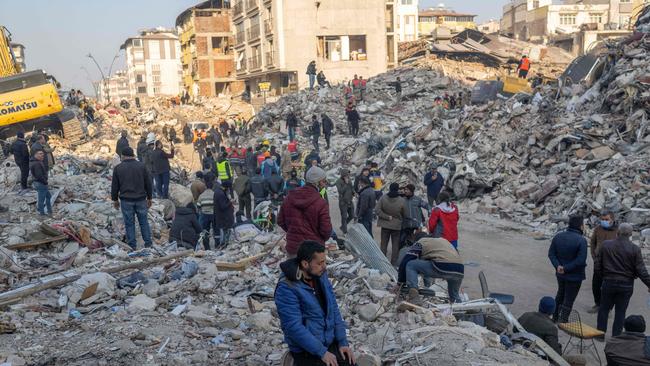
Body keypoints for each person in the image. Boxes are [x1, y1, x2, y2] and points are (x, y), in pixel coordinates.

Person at [275, 240, 355, 366]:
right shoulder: (287, 287)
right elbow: (293, 327)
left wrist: (342, 341)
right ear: (305, 264)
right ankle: (291, 361)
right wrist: (321, 352)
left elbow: (333, 309)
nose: (324, 266)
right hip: (306, 349)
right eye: (320, 263)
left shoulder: (320, 275)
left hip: (329, 341)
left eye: (325, 262)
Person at [596, 223, 650, 337]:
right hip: (626, 285)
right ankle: (616, 337)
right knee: (620, 312)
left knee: (604, 308)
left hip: (608, 282)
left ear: (618, 232)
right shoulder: (634, 249)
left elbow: (597, 265)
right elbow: (641, 270)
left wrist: (604, 277)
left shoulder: (606, 245)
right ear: (630, 234)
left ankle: (600, 334)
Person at [278, 166, 332, 257]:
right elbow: (326, 231)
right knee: (316, 271)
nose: (324, 185)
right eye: (323, 181)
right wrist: (318, 238)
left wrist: (292, 231)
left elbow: (280, 221)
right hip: (314, 251)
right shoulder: (321, 203)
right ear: (317, 183)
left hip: (293, 249)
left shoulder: (289, 198)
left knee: (293, 271)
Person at [398, 234, 464, 303]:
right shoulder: (442, 241)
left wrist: (400, 283)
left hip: (443, 265)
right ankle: (459, 308)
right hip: (460, 269)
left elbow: (405, 261)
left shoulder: (420, 242)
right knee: (454, 296)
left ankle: (414, 296)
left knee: (411, 264)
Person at [111, 147, 153, 250]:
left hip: (126, 201)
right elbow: (148, 183)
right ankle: (148, 243)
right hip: (141, 199)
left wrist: (115, 200)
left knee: (129, 224)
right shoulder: (142, 166)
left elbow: (115, 186)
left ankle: (132, 246)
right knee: (144, 222)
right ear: (133, 155)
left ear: (123, 156)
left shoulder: (118, 168)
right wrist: (149, 197)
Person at [548, 215, 587, 322]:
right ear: (581, 226)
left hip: (560, 273)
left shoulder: (558, 236)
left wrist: (558, 266)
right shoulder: (581, 240)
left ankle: (555, 316)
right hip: (574, 275)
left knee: (560, 294)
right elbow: (581, 260)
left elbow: (551, 254)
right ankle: (563, 320)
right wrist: (566, 268)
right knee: (569, 298)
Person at [589, 210, 619, 314]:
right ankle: (598, 304)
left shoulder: (618, 231)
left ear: (612, 220)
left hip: (611, 264)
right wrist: (593, 255)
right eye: (602, 219)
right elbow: (593, 242)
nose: (604, 221)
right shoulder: (598, 229)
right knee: (596, 285)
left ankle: (608, 308)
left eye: (606, 219)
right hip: (598, 262)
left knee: (609, 286)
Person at [376, 183, 407, 265]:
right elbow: (405, 214)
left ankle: (382, 263)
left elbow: (377, 210)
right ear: (397, 189)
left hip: (385, 225)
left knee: (383, 244)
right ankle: (394, 263)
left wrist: (386, 217)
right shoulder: (402, 200)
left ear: (389, 188)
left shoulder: (383, 198)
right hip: (396, 226)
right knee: (395, 246)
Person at [30, 150, 51, 216]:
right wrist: (45, 182)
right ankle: (42, 213)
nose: (42, 155)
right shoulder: (36, 164)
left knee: (48, 196)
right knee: (41, 199)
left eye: (42, 154)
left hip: (39, 182)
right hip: (40, 183)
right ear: (35, 155)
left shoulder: (37, 162)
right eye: (40, 154)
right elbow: (39, 176)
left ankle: (49, 210)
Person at [213, 180, 235, 247]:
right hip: (223, 217)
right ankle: (223, 244)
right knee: (225, 231)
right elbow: (223, 206)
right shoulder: (221, 194)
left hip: (221, 216)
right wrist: (231, 202)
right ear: (227, 187)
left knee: (224, 230)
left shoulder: (218, 191)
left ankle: (223, 244)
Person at [196, 179, 215, 250]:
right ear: (212, 187)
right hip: (213, 214)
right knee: (216, 230)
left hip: (204, 215)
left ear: (206, 187)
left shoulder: (201, 195)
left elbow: (198, 206)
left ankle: (207, 247)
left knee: (205, 230)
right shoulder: (214, 194)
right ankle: (218, 244)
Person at [335, 169, 355, 235]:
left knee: (352, 215)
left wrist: (354, 193)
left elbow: (352, 188)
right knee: (344, 216)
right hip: (343, 202)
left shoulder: (349, 180)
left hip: (350, 201)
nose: (348, 176)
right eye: (347, 175)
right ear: (343, 175)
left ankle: (342, 227)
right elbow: (340, 191)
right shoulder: (338, 181)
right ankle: (345, 232)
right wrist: (346, 184)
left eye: (348, 175)